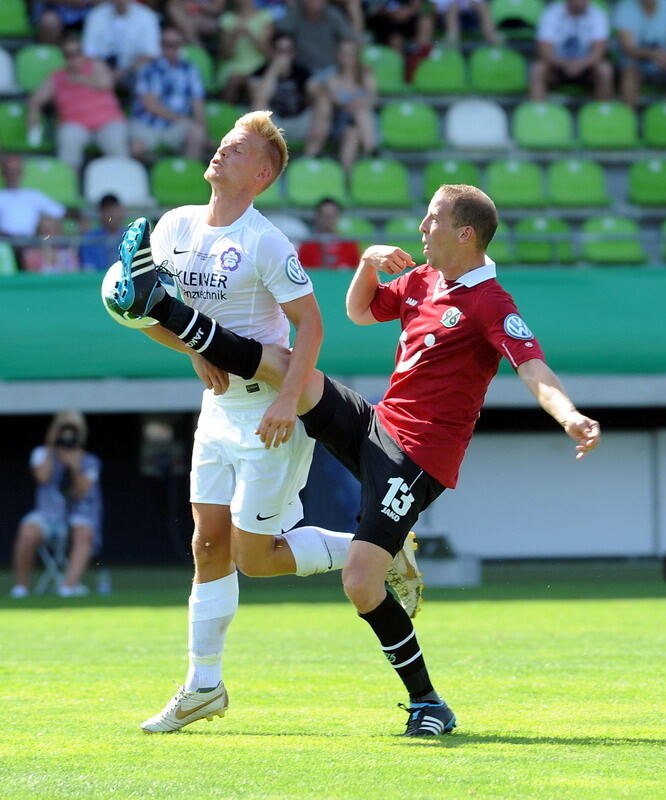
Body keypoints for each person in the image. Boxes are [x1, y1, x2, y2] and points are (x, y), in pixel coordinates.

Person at [115, 182, 601, 737]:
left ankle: (428, 704)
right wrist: (368, 265)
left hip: (417, 459)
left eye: (432, 219)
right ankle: (172, 314)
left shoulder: (492, 303)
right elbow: (360, 310)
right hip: (378, 423)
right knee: (287, 368)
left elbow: (533, 369)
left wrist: (570, 417)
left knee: (360, 584)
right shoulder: (423, 279)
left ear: (465, 234)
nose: (422, 228)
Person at [108, 110, 415, 733]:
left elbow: (313, 324)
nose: (220, 152)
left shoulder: (265, 241)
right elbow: (158, 311)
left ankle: (387, 551)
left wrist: (287, 399)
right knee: (206, 545)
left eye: (236, 149)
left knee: (257, 557)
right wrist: (195, 349)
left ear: (263, 173)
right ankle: (204, 686)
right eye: (222, 143)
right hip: (218, 408)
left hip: (268, 410)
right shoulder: (174, 226)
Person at [10, 411, 102, 598]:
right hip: (48, 516)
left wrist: (74, 466)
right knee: (27, 529)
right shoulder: (41, 453)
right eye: (63, 428)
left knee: (84, 531)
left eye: (72, 429)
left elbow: (81, 491)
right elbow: (42, 477)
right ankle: (21, 588)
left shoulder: (90, 461)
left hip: (78, 516)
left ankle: (67, 587)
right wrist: (52, 448)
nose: (67, 434)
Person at [27, 36, 129, 171]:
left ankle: (123, 180)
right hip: (75, 124)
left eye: (77, 53)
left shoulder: (96, 66)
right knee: (67, 137)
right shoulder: (57, 77)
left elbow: (106, 84)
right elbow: (36, 99)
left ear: (84, 53)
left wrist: (79, 79)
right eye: (68, 55)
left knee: (115, 141)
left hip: (107, 121)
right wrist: (33, 113)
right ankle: (69, 181)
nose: (73, 59)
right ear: (63, 57)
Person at [130, 27, 207, 161]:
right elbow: (151, 105)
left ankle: (188, 175)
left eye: (175, 45)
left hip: (175, 126)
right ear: (160, 45)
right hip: (148, 124)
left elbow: (197, 103)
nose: (170, 49)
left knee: (197, 134)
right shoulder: (148, 69)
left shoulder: (190, 70)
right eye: (166, 44)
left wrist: (202, 128)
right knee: (136, 148)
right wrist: (180, 119)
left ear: (181, 46)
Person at [248, 33, 330, 156]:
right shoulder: (258, 73)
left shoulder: (302, 72)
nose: (284, 55)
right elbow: (259, 98)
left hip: (301, 121)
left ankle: (309, 157)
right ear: (272, 51)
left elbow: (318, 93)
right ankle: (268, 159)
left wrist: (314, 94)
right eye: (280, 51)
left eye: (288, 51)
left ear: (294, 52)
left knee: (324, 102)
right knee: (258, 107)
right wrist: (274, 71)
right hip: (274, 124)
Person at [530, 0, 613, 101]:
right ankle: (539, 112)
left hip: (587, 68)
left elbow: (599, 52)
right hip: (557, 67)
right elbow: (544, 51)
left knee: (604, 69)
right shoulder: (551, 13)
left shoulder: (598, 14)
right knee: (538, 68)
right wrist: (565, 64)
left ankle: (602, 112)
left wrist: (581, 65)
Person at [325, 39, 378, 172]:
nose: (347, 58)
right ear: (338, 56)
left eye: (350, 54)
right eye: (344, 54)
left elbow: (372, 100)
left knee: (353, 133)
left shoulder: (366, 75)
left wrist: (354, 104)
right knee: (358, 117)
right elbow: (338, 103)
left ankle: (347, 176)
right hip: (341, 121)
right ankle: (371, 152)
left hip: (364, 121)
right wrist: (358, 103)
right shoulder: (333, 78)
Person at [82, 0, 161, 87]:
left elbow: (150, 54)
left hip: (133, 72)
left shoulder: (147, 16)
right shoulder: (96, 14)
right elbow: (89, 51)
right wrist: (104, 72)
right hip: (101, 71)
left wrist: (125, 72)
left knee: (147, 73)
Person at [614, 0, 666, 107]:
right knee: (630, 71)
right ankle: (629, 118)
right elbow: (628, 48)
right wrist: (653, 55)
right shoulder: (625, 8)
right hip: (636, 60)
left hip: (664, 60)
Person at [217, 0, 273, 103]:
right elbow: (224, 56)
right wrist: (233, 37)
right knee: (233, 80)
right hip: (233, 65)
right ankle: (226, 113)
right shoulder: (227, 19)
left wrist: (251, 36)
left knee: (252, 82)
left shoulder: (265, 17)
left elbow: (268, 53)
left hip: (258, 65)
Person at [0, 154, 66, 238]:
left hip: (32, 243)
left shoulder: (34, 195)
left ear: (22, 173)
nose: (13, 175)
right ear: (3, 173)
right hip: (4, 243)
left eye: (16, 171)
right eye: (9, 171)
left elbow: (60, 212)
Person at [298, 197, 361, 269]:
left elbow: (356, 270)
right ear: (317, 216)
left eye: (331, 216)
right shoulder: (308, 244)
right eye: (325, 215)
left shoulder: (349, 244)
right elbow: (302, 271)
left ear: (338, 216)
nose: (328, 219)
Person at [79, 194, 126, 272]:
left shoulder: (132, 237)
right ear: (100, 214)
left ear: (121, 212)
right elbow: (88, 270)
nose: (111, 215)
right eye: (107, 211)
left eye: (114, 210)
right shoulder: (89, 239)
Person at [433, 0, 502, 48]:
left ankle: (490, 34)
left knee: (483, 6)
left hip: (471, 16)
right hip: (450, 13)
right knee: (452, 8)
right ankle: (452, 36)